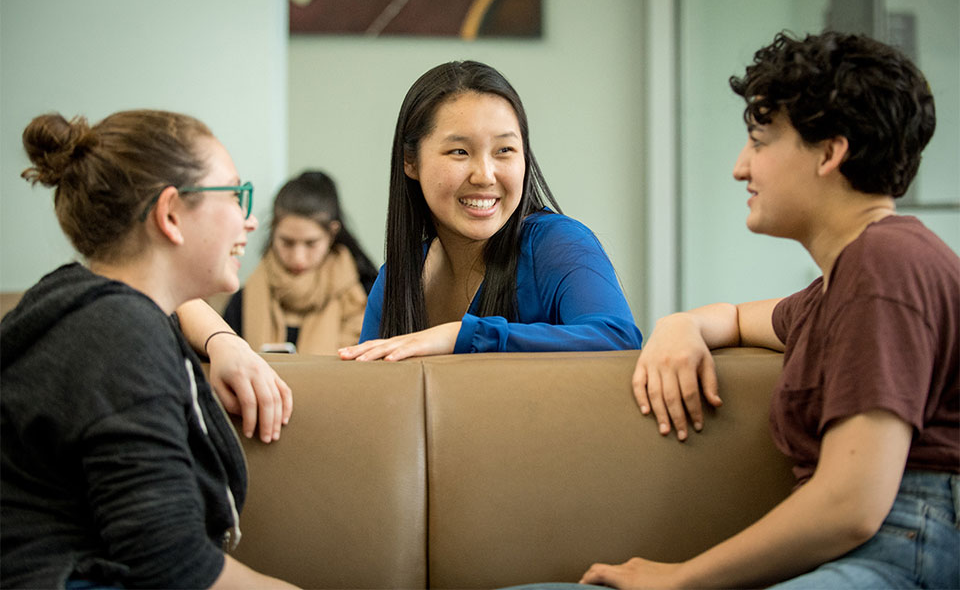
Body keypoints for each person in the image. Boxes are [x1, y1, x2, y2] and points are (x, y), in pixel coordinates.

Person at [579, 31, 958, 588]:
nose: (739, 167)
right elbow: (733, 318)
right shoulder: (845, 280)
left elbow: (851, 506)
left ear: (830, 152)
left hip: (902, 554)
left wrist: (681, 578)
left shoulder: (886, 265)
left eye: (759, 142)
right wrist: (677, 325)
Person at [1, 110, 297, 589]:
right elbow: (174, 567)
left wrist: (223, 340)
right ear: (171, 214)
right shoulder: (120, 335)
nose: (250, 219)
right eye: (236, 195)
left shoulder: (79, 301)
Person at [338, 61, 643, 362]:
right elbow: (371, 391)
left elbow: (618, 341)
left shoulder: (556, 243)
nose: (485, 175)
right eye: (459, 152)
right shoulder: (398, 276)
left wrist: (463, 337)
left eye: (504, 150)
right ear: (411, 161)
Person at [223, 170, 376, 354]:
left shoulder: (366, 295)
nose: (298, 258)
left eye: (311, 244)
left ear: (332, 234)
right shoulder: (242, 300)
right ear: (273, 232)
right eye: (287, 242)